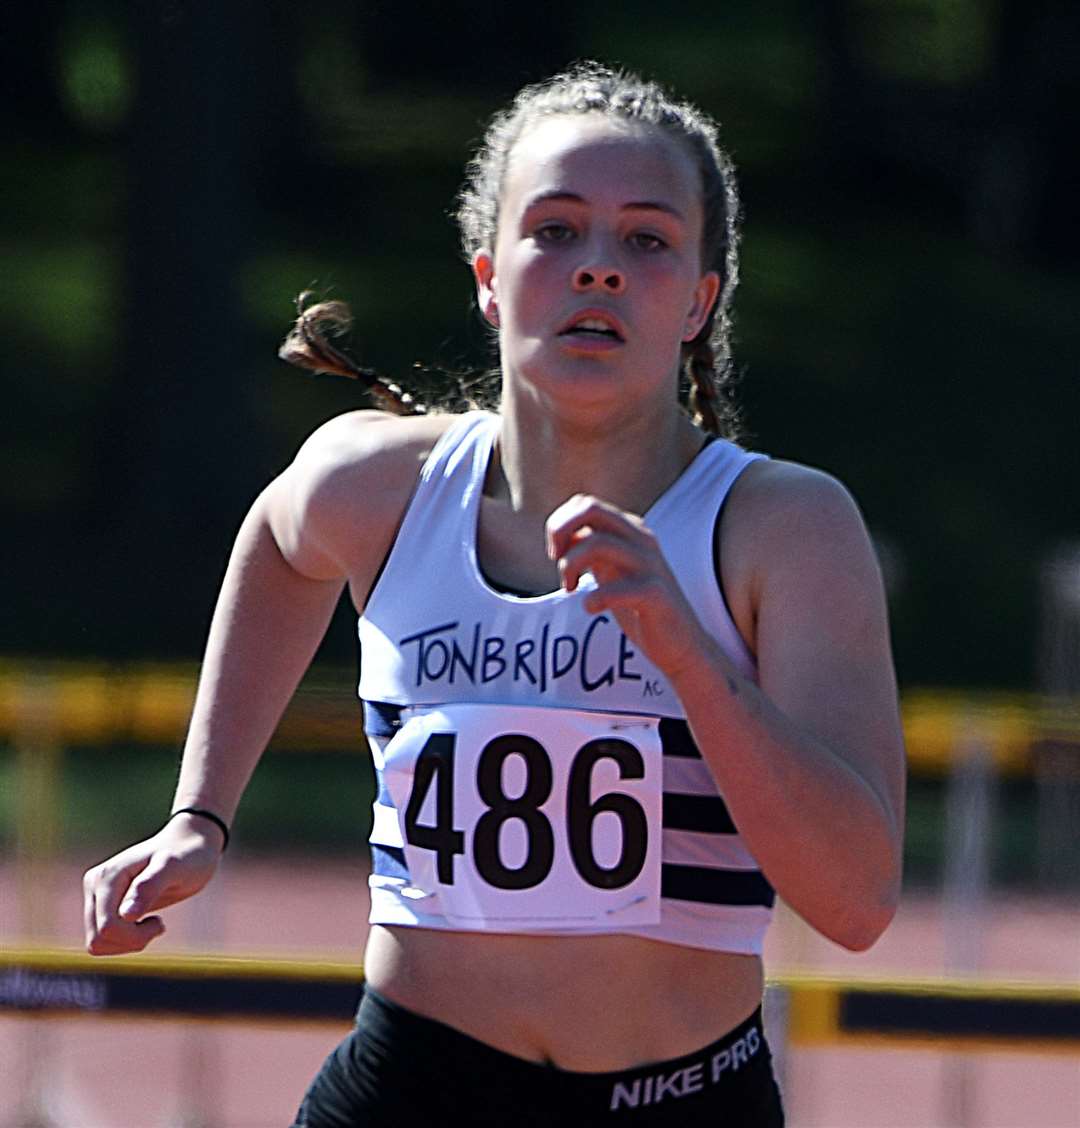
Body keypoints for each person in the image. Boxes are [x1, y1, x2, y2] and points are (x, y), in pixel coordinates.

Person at [83, 62, 906, 1126]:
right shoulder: (378, 486)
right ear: (487, 273)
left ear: (701, 299)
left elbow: (855, 903)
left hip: (681, 1099)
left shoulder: (781, 530)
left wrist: (690, 658)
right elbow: (282, 547)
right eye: (555, 230)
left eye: (646, 240)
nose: (598, 269)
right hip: (413, 1089)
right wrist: (201, 814)